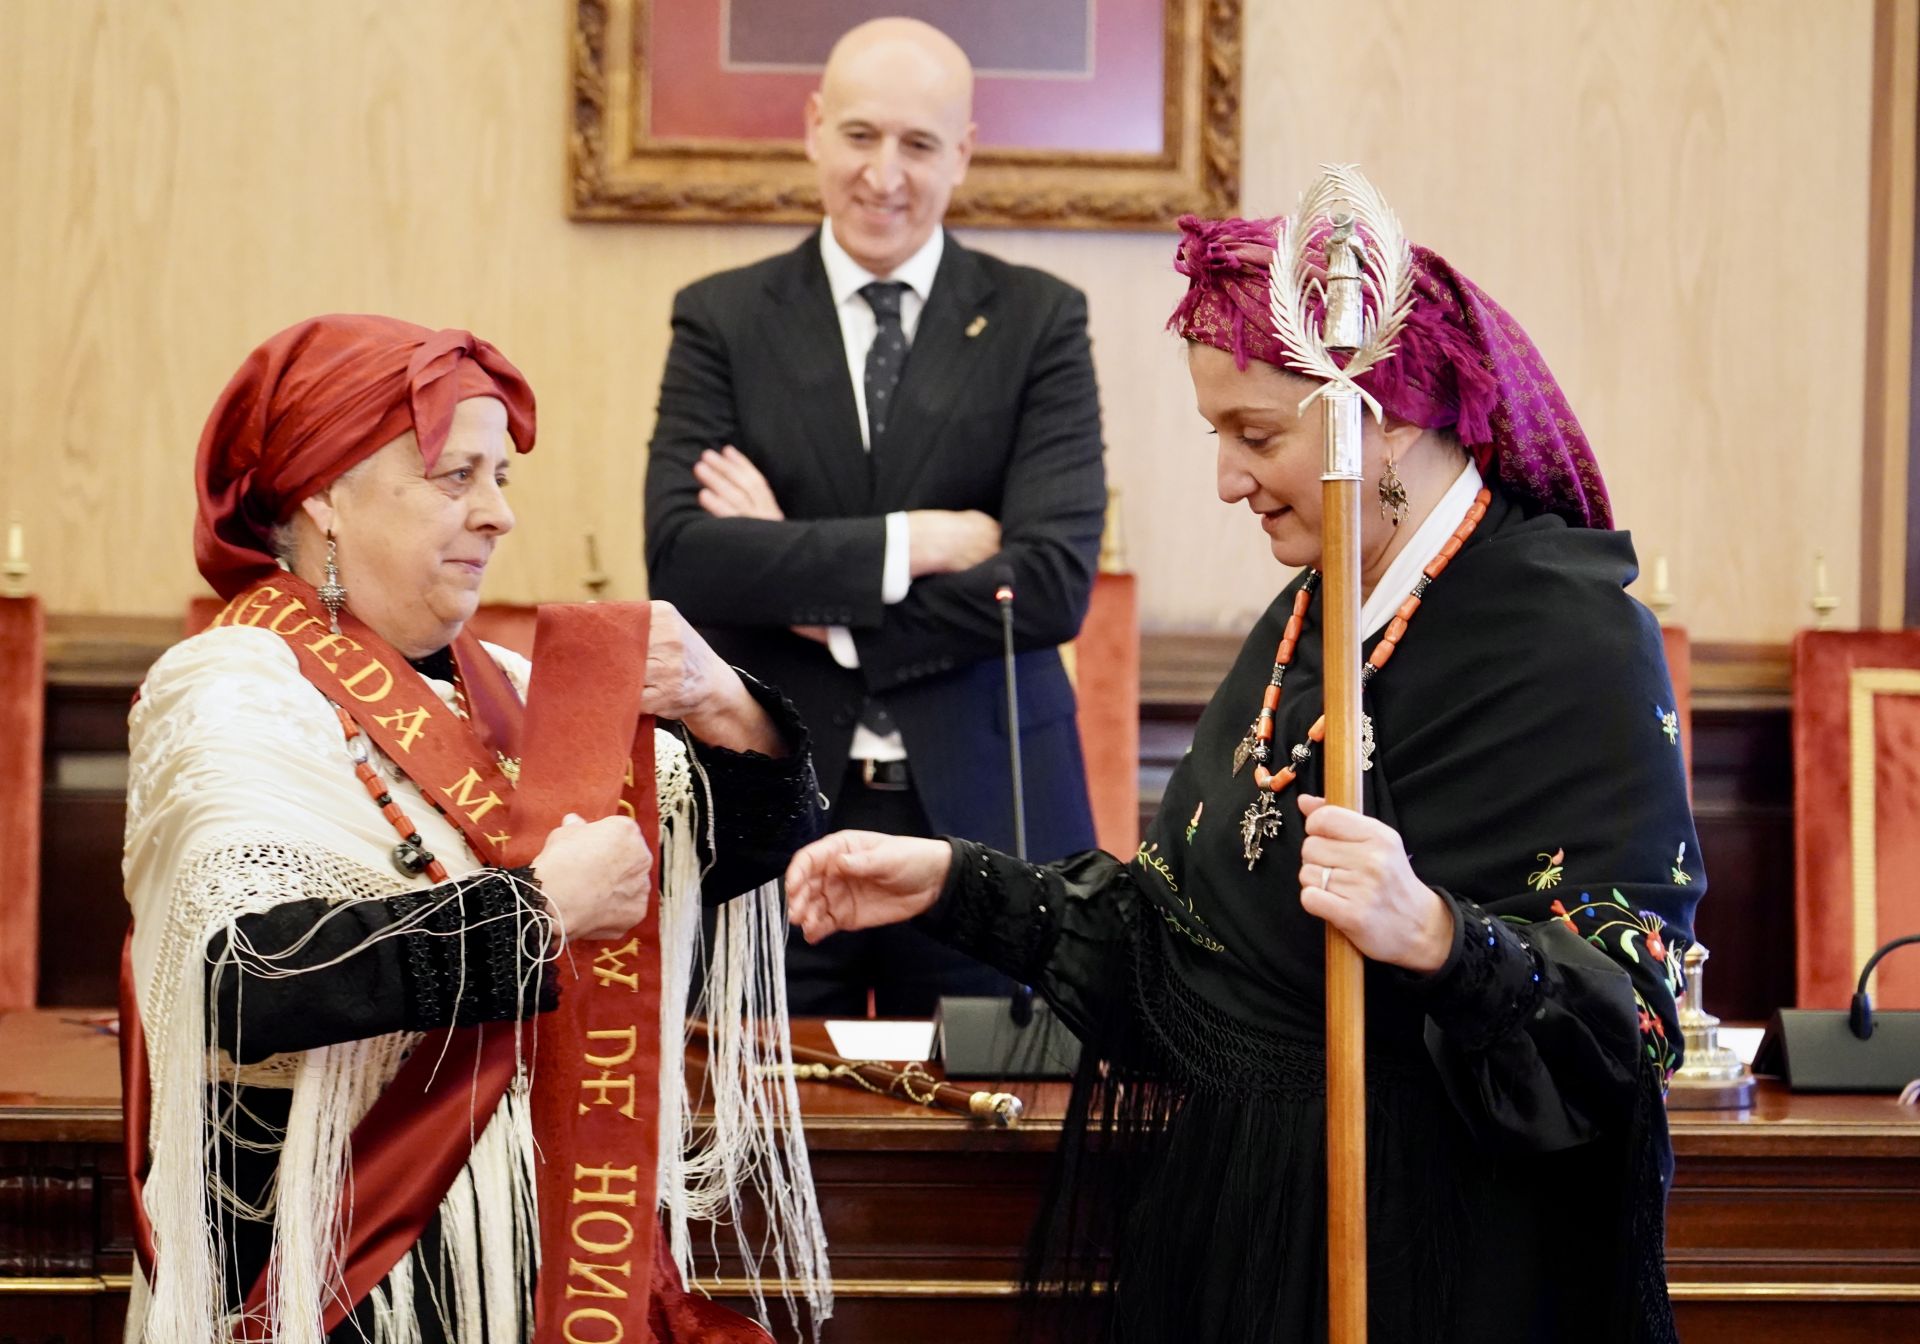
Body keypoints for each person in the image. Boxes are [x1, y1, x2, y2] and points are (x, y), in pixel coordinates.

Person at [785, 214, 1702, 1343]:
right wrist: (952, 882)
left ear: (1393, 414)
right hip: (1253, 1243)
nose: (1227, 480)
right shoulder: (1314, 607)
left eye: (1254, 434)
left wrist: (1436, 938)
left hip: (1444, 1274)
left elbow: (1631, 1014)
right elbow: (1188, 955)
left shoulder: (1574, 636)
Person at [123, 314, 828, 1343]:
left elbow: (724, 854)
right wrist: (539, 911)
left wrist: (729, 705)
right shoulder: (229, 686)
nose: (498, 515)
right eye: (456, 478)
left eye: (502, 478)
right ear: (323, 494)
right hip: (336, 1268)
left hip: (529, 1254)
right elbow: (244, 977)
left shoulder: (506, 693)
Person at [643, 17, 1107, 1016]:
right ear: (813, 129)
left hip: (988, 818)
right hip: (770, 813)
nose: (884, 175)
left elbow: (1052, 582)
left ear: (964, 154)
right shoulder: (721, 317)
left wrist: (810, 587)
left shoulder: (1040, 321)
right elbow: (684, 559)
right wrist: (922, 543)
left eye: (919, 144)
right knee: (741, 1131)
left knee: (997, 1137)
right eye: (859, 135)